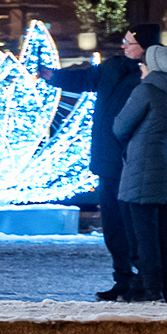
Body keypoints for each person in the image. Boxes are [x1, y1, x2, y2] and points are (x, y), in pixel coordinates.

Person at [49, 31, 147, 299]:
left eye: (131, 42)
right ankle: (123, 278)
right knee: (114, 224)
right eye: (124, 41)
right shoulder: (113, 66)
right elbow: (85, 79)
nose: (124, 46)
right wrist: (52, 76)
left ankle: (145, 280)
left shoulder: (152, 74)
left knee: (136, 224)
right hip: (107, 159)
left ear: (146, 45)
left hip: (135, 160)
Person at [114, 43, 167, 303]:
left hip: (141, 169)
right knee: (166, 232)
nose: (141, 68)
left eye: (144, 63)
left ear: (153, 67)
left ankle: (150, 289)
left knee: (144, 233)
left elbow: (120, 126)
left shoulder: (145, 90)